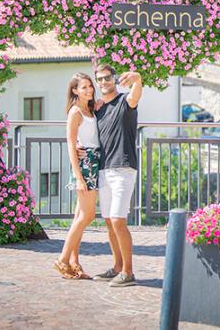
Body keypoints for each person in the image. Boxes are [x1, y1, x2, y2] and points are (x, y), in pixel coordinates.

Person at [88, 63, 143, 288]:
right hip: (104, 169)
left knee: (119, 221)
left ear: (114, 78)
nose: (103, 82)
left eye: (107, 78)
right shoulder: (98, 109)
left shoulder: (125, 102)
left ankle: (128, 273)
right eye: (99, 79)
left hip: (123, 168)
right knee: (110, 222)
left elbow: (136, 93)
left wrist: (138, 78)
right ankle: (118, 267)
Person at [53, 72, 101, 280]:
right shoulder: (75, 112)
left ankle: (74, 263)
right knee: (87, 216)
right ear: (74, 90)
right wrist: (79, 176)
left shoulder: (90, 109)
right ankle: (63, 259)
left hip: (95, 160)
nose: (89, 90)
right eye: (84, 87)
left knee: (78, 217)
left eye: (90, 86)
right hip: (87, 164)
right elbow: (71, 144)